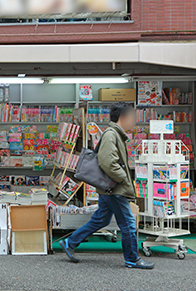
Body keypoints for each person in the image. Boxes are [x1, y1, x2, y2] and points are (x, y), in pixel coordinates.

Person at [60, 102, 155, 270]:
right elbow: (108, 162)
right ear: (123, 117)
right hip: (114, 188)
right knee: (128, 224)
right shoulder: (112, 135)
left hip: (109, 187)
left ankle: (70, 242)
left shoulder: (115, 134)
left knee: (100, 219)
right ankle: (132, 259)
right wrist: (123, 178)